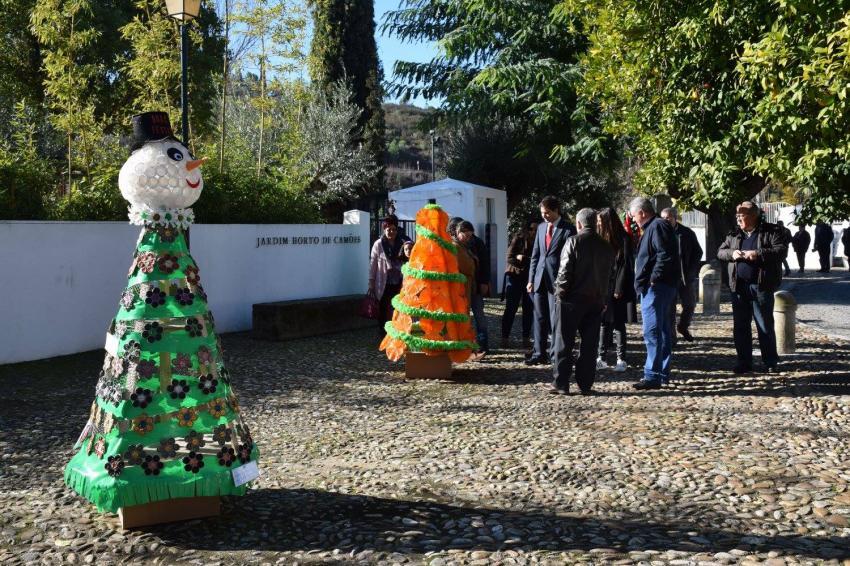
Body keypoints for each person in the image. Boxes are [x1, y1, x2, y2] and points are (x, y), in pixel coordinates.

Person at [716, 200, 787, 374]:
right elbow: (720, 252)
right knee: (740, 326)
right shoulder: (734, 234)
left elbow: (781, 251)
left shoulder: (770, 231)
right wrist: (732, 253)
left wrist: (758, 254)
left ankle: (770, 361)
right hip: (738, 287)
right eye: (738, 215)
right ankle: (744, 362)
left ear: (754, 215)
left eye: (743, 215)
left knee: (764, 324)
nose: (739, 219)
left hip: (761, 286)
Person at [550, 208, 615, 395]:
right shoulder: (606, 246)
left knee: (564, 342)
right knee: (589, 344)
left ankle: (561, 382)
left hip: (572, 299)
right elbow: (609, 276)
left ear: (579, 224)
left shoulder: (573, 241)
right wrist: (604, 298)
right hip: (595, 300)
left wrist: (559, 294)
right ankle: (585, 383)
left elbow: (564, 272)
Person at [630, 197, 681, 390]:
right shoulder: (656, 226)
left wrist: (653, 278)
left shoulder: (657, 226)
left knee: (652, 331)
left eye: (634, 215)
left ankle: (653, 375)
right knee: (662, 331)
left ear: (642, 212)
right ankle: (660, 373)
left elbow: (664, 254)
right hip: (660, 286)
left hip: (657, 288)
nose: (634, 219)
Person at [526, 196, 574, 365]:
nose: (544, 216)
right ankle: (539, 353)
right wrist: (531, 278)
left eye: (547, 213)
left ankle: (555, 354)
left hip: (557, 281)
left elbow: (570, 258)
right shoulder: (540, 228)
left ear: (556, 210)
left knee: (556, 320)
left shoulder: (568, 229)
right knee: (539, 318)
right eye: (542, 213)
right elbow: (536, 255)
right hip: (539, 279)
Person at [595, 207, 635, 372]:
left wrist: (619, 288)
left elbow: (625, 265)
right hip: (603, 286)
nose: (597, 224)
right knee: (604, 323)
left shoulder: (624, 239)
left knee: (618, 323)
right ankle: (601, 357)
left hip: (617, 287)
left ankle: (621, 359)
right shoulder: (601, 239)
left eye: (599, 222)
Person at [660, 208, 703, 342]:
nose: (665, 221)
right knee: (669, 308)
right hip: (667, 277)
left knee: (690, 304)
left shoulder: (686, 233)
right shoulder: (659, 233)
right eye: (663, 218)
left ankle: (683, 326)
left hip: (685, 276)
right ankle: (671, 337)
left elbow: (698, 252)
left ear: (674, 217)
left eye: (668, 218)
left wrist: (692, 271)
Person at [368, 215, 410, 333]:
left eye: (394, 229)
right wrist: (371, 282)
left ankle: (397, 331)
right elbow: (373, 264)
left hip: (399, 281)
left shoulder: (402, 242)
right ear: (384, 229)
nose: (391, 232)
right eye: (388, 229)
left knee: (398, 307)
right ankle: (383, 332)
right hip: (383, 282)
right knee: (383, 308)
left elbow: (408, 258)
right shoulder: (378, 244)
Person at [501, 220, 537, 347]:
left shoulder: (539, 240)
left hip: (530, 278)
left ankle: (526, 338)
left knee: (528, 309)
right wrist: (521, 260)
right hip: (515, 277)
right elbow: (509, 257)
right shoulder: (519, 238)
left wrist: (524, 258)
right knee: (511, 308)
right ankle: (504, 337)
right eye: (531, 229)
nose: (533, 232)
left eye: (536, 229)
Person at [458, 220, 490, 357]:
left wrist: (484, 281)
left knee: (479, 316)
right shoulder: (457, 246)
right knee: (464, 317)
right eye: (465, 235)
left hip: (475, 285)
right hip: (463, 288)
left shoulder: (477, 243)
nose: (468, 237)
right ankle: (467, 347)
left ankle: (483, 345)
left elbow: (484, 262)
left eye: (470, 235)